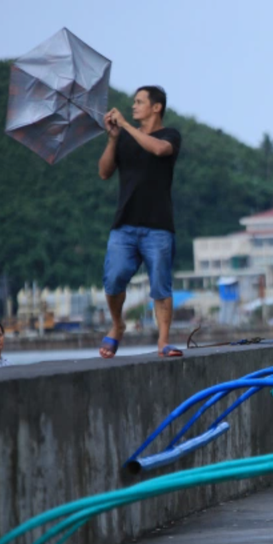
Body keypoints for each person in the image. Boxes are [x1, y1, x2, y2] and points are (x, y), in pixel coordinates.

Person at [98, 86, 183, 359]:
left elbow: (159, 149)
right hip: (124, 224)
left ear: (156, 107)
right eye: (133, 102)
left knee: (160, 285)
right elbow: (104, 172)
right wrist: (113, 139)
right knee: (113, 279)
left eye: (139, 102)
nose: (133, 106)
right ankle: (117, 325)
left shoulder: (170, 135)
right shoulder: (123, 138)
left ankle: (163, 341)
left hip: (158, 226)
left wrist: (124, 125)